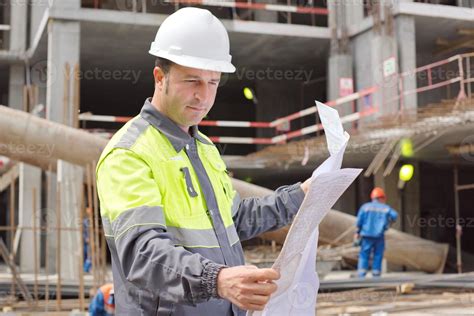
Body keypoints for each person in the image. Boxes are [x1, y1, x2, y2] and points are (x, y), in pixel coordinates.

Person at [96, 7, 311, 315]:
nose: (204, 96)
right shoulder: (130, 153)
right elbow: (143, 254)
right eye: (192, 80)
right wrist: (218, 280)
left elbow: (233, 220)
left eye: (212, 82)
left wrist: (301, 196)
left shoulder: (204, 147)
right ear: (160, 77)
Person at [355, 187, 398, 278]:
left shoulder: (365, 207)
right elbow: (395, 215)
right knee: (378, 254)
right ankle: (376, 274)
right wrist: (389, 223)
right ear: (381, 198)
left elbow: (359, 221)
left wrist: (357, 232)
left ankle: (362, 274)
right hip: (379, 236)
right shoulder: (385, 208)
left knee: (364, 254)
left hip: (366, 235)